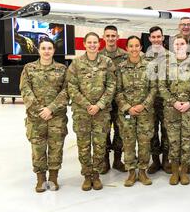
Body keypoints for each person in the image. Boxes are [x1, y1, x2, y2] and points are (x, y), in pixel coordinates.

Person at [67, 32, 116, 191]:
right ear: (84, 44)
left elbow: (111, 86)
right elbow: (71, 87)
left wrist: (99, 105)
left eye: (95, 42)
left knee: (100, 145)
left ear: (99, 44)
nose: (93, 45)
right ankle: (87, 176)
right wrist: (87, 105)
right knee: (83, 145)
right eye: (90, 42)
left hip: (101, 113)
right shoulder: (76, 63)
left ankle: (96, 175)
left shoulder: (107, 62)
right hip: (82, 112)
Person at [20, 37, 68, 192]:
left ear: (54, 50)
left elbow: (67, 90)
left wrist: (51, 108)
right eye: (43, 48)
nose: (46, 51)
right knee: (38, 149)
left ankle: (53, 178)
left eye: (49, 48)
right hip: (36, 117)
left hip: (56, 117)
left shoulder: (62, 69)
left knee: (56, 148)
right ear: (38, 50)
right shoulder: (29, 68)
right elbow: (25, 89)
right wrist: (40, 110)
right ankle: (40, 179)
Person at [159, 35, 190, 185]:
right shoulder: (165, 65)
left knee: (187, 141)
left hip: (189, 110)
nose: (179, 46)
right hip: (172, 110)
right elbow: (161, 86)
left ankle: (184, 171)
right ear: (172, 46)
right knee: (173, 141)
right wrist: (173, 102)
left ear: (187, 46)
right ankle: (174, 171)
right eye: (176, 44)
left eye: (182, 43)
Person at [115, 36, 157, 187]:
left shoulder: (149, 66)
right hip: (127, 112)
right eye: (131, 46)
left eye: (136, 46)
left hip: (145, 111)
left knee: (145, 141)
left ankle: (143, 171)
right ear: (127, 48)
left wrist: (144, 105)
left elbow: (154, 88)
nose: (134, 49)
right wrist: (128, 107)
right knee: (128, 141)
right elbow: (117, 91)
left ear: (141, 48)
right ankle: (131, 172)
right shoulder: (120, 67)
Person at [99, 25, 127, 174]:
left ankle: (117, 160)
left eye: (113, 35)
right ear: (103, 37)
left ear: (117, 37)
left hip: (120, 100)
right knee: (103, 130)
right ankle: (104, 161)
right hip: (104, 101)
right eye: (108, 35)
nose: (110, 38)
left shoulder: (124, 55)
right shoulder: (98, 56)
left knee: (120, 129)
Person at [145, 26, 172, 174]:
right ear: (149, 38)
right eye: (153, 37)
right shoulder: (144, 57)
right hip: (150, 101)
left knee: (167, 130)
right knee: (152, 130)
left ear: (163, 38)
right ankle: (155, 160)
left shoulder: (171, 57)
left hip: (166, 100)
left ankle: (166, 160)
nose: (156, 39)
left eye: (158, 36)